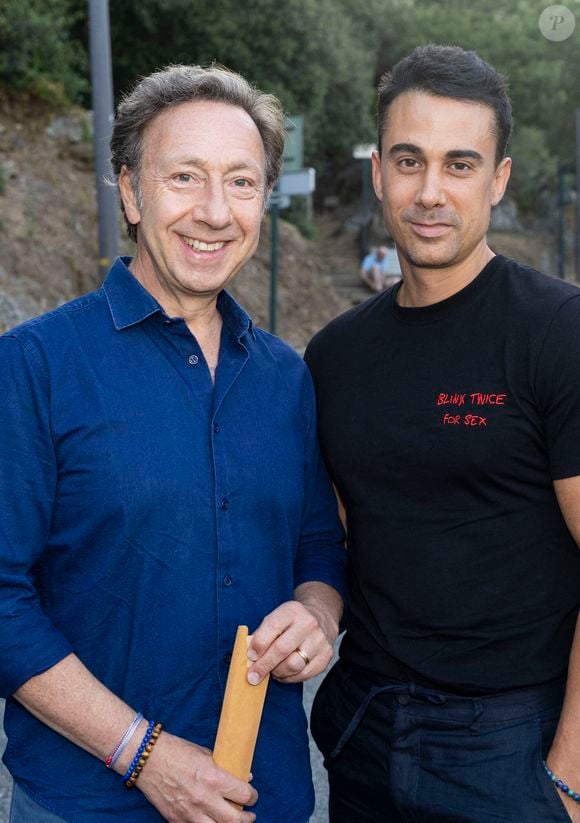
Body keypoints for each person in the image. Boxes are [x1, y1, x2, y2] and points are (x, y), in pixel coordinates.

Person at [0, 64, 346, 823]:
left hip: (266, 794)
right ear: (130, 191)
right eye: (185, 176)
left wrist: (317, 617)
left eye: (241, 182)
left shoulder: (286, 377)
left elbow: (318, 547)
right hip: (85, 805)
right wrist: (143, 753)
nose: (215, 211)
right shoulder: (34, 365)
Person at [305, 43, 580, 823]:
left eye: (460, 164)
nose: (430, 192)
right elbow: (336, 539)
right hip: (363, 728)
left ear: (498, 179)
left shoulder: (558, 331)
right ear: (378, 173)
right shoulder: (335, 355)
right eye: (409, 161)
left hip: (511, 745)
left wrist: (568, 775)